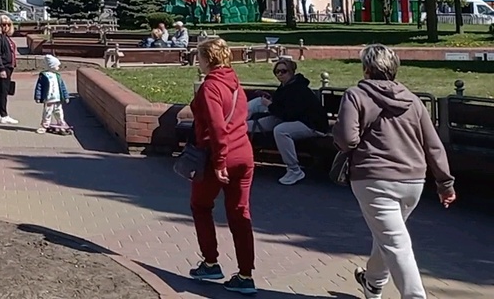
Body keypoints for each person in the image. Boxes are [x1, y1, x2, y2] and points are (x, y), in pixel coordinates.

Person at [333, 44, 456, 299]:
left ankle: (414, 296)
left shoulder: (356, 95)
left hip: (373, 178)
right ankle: (373, 282)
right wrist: (445, 184)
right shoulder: (412, 99)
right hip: (413, 180)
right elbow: (433, 145)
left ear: (366, 68)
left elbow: (346, 139)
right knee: (389, 235)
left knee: (395, 242)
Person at [188, 37, 257, 295]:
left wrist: (218, 161)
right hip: (244, 154)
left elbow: (217, 127)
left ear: (208, 59)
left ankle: (210, 262)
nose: (199, 61)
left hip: (218, 156)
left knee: (201, 205)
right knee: (240, 213)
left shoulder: (210, 87)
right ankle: (246, 274)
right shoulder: (235, 82)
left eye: (200, 57)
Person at [245, 57, 329, 185]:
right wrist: (268, 102)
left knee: (281, 131)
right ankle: (236, 123)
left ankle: (294, 170)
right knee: (254, 111)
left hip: (312, 124)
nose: (280, 74)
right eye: (277, 72)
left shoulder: (298, 89)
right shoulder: (285, 87)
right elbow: (281, 110)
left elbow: (289, 114)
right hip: (291, 119)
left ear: (291, 72)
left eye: (283, 71)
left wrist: (269, 105)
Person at [0, 15, 18, 124]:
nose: (6, 26)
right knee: (3, 92)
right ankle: (4, 115)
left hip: (7, 66)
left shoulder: (5, 37)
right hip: (3, 67)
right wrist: (1, 68)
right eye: (3, 24)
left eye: (8, 24)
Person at [33, 54, 71, 135]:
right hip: (49, 99)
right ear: (51, 66)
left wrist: (66, 96)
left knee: (59, 111)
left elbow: (62, 87)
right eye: (57, 66)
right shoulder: (44, 75)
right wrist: (38, 96)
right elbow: (39, 86)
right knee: (47, 112)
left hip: (58, 98)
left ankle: (61, 123)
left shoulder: (57, 76)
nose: (58, 67)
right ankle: (44, 125)